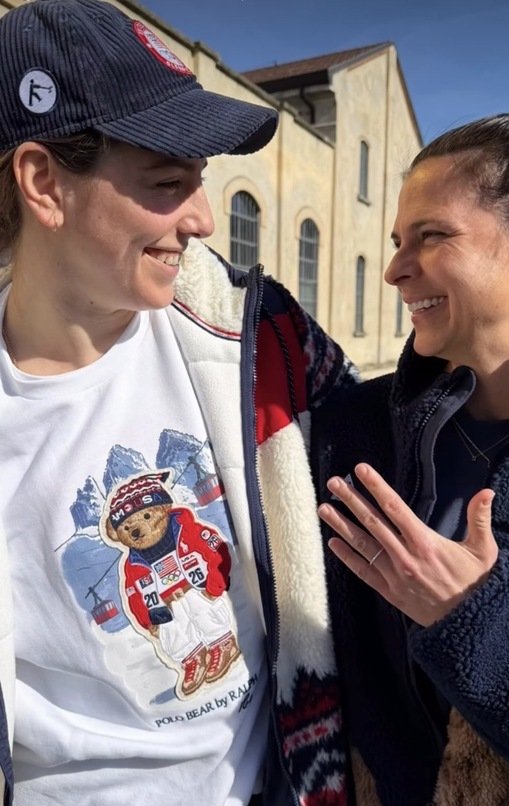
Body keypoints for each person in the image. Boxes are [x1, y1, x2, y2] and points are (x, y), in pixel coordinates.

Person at [0, 0, 359, 803]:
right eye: (167, 184)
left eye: (203, 185)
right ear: (43, 184)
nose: (201, 219)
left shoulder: (255, 337)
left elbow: (416, 450)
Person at [312, 110, 509, 805]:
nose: (394, 269)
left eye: (433, 236)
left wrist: (478, 615)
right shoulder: (355, 427)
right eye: (397, 240)